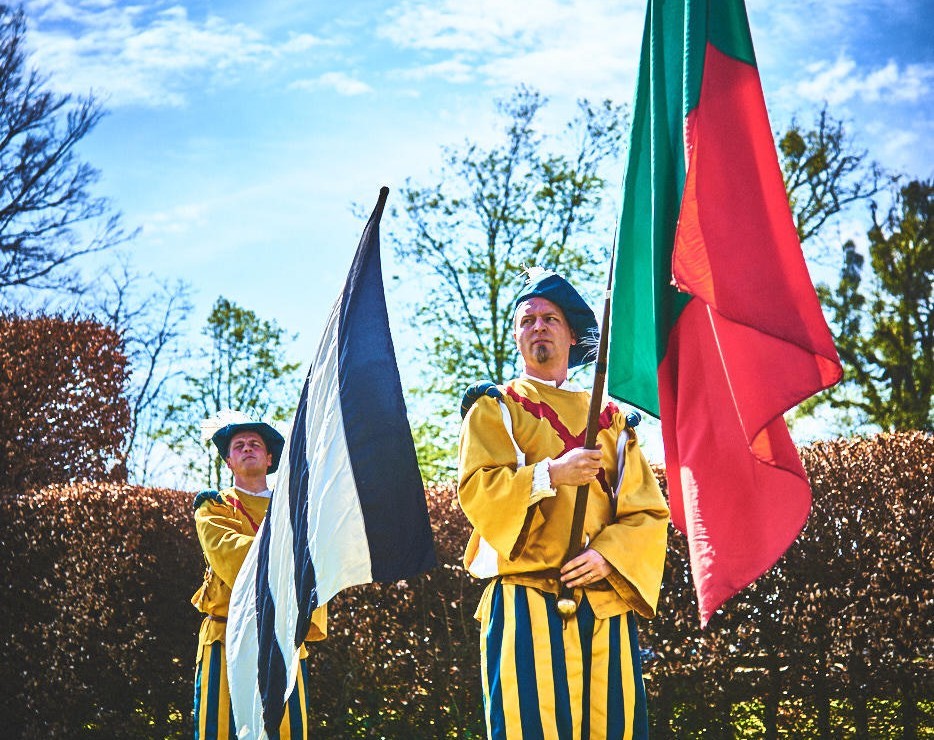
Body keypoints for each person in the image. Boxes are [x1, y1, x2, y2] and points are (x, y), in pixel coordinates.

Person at [458, 269, 670, 740]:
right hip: (524, 599)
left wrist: (607, 556)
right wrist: (550, 474)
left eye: (549, 318)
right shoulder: (496, 408)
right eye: (527, 319)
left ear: (572, 335)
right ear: (515, 335)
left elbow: (648, 512)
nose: (538, 327)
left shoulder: (613, 419)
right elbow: (478, 490)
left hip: (603, 603)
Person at [191, 415, 326, 739]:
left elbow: (315, 566)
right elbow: (231, 555)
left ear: (269, 459)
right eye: (239, 446)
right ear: (229, 461)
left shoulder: (297, 509)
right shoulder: (213, 506)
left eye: (255, 444)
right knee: (219, 730)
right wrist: (286, 552)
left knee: (287, 731)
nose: (247, 449)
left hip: (283, 636)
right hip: (227, 634)